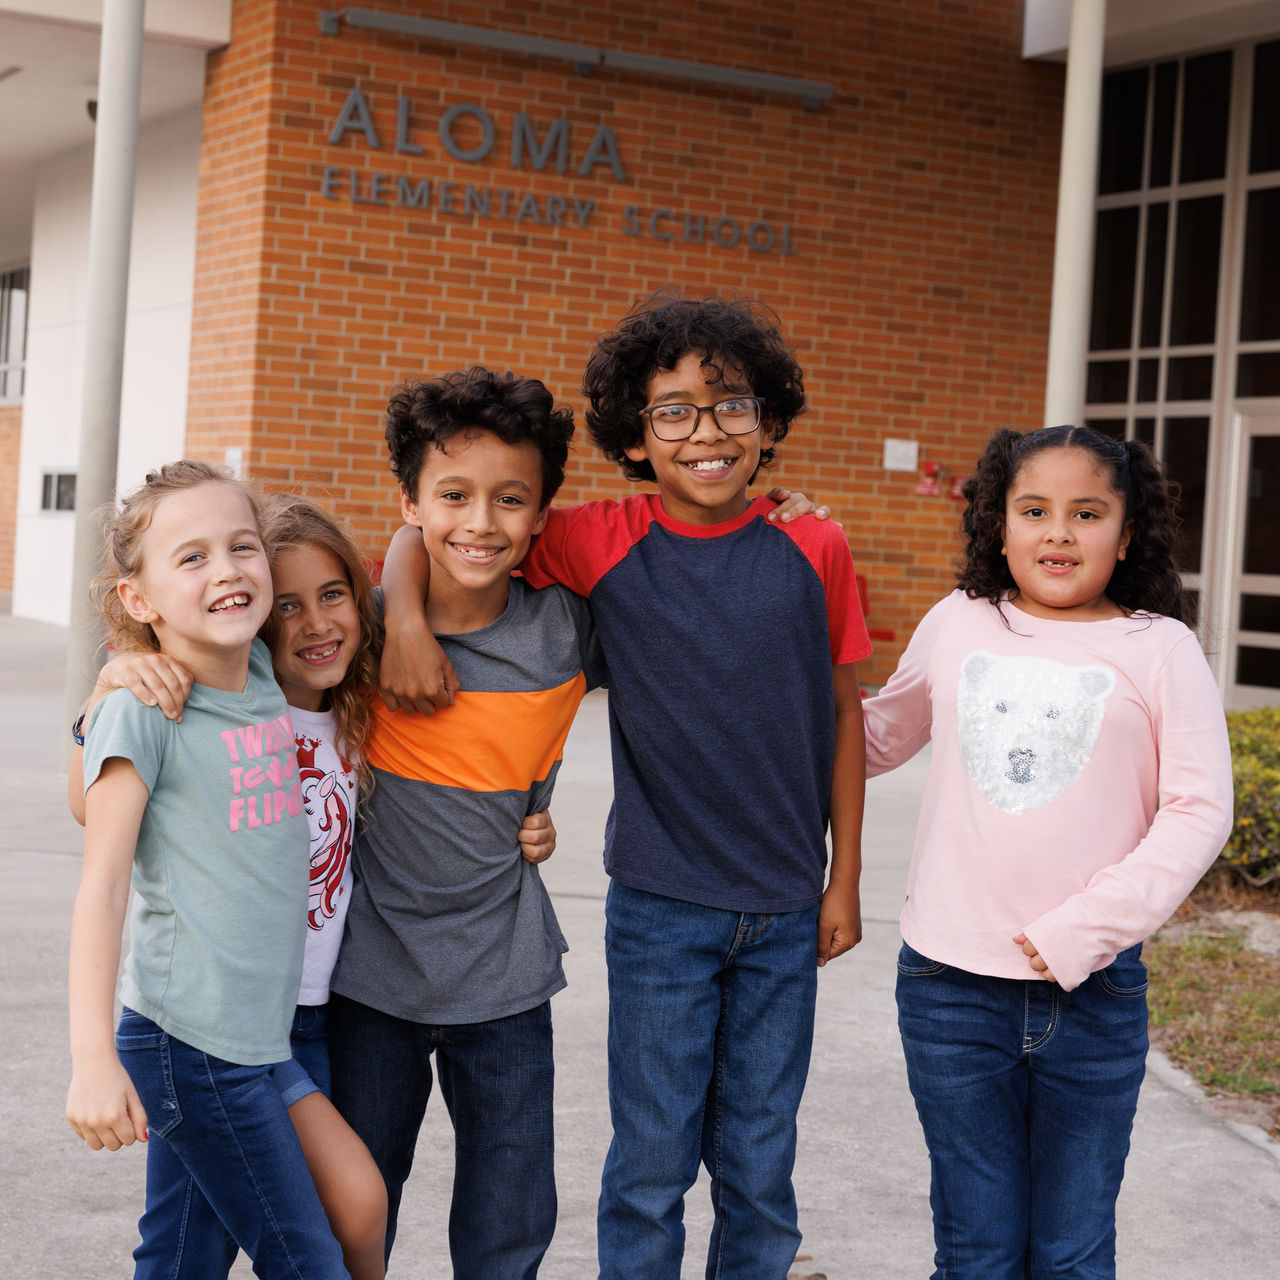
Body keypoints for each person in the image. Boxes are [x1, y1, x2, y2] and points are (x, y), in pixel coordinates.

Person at [378, 295, 871, 1280]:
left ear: (767, 424)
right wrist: (401, 619)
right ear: (634, 439)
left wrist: (843, 878)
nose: (705, 430)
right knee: (647, 1161)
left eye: (730, 405)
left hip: (781, 905)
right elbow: (444, 527)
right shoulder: (595, 537)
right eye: (673, 410)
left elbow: (844, 713)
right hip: (657, 904)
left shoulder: (815, 546)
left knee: (758, 1160)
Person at [71, 491, 559, 1278]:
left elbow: (406, 556)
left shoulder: (323, 703)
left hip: (289, 1027)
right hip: (197, 1027)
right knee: (259, 1251)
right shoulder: (193, 691)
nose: (313, 621)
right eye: (288, 605)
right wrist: (113, 681)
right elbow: (96, 842)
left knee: (327, 1214)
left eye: (332, 596)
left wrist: (531, 823)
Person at [861, 425, 1235, 1280]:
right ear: (1001, 524)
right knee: (977, 1250)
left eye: (1087, 512)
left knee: (1071, 1254)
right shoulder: (962, 621)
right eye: (1035, 510)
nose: (1058, 532)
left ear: (1127, 532)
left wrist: (1088, 927)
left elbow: (1199, 807)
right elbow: (877, 737)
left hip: (1094, 995)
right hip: (949, 990)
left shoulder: (1159, 647)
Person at [325, 366, 606, 1280]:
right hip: (371, 976)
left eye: (510, 500)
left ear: (540, 517)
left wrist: (784, 522)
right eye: (453, 496)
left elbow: (690, 595)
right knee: (357, 1204)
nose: (481, 523)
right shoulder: (353, 634)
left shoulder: (567, 631)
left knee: (510, 1214)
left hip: (508, 976)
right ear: (410, 502)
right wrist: (120, 680)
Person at [65, 460, 350, 1279]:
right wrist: (92, 1060)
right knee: (308, 1262)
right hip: (188, 1042)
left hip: (256, 1038)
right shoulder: (142, 707)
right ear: (139, 599)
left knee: (181, 1257)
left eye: (242, 546)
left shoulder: (260, 668)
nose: (226, 570)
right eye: (190, 558)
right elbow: (103, 882)